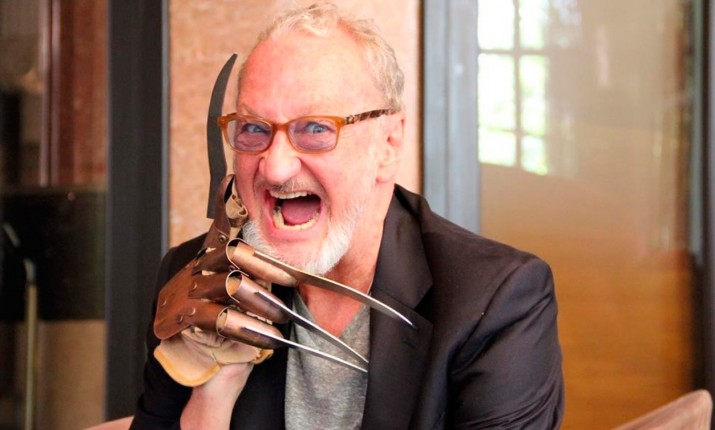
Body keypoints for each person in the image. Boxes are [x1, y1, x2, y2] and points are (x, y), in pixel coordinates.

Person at [130, 2, 564, 429]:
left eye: (316, 129)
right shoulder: (196, 281)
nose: (275, 167)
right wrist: (213, 390)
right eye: (254, 129)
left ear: (388, 145)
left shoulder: (495, 301)